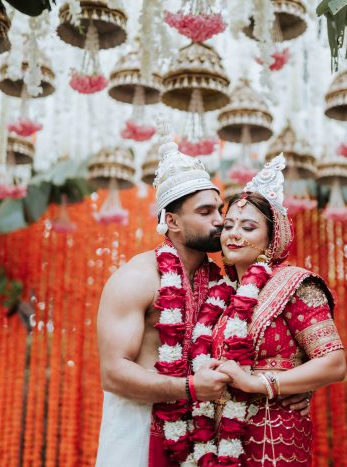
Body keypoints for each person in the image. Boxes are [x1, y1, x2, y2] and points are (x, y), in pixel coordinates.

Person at [95, 125, 310, 467]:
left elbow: (263, 349)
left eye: (218, 209)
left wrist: (286, 385)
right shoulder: (136, 277)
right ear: (173, 221)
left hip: (207, 435)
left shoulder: (223, 283)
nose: (221, 221)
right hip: (140, 431)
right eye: (205, 212)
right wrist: (190, 388)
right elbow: (113, 373)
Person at [209, 155, 346, 466]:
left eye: (248, 227)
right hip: (220, 436)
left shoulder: (295, 284)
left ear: (272, 239)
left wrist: (262, 384)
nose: (234, 233)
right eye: (228, 225)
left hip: (274, 434)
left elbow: (334, 363)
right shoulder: (222, 297)